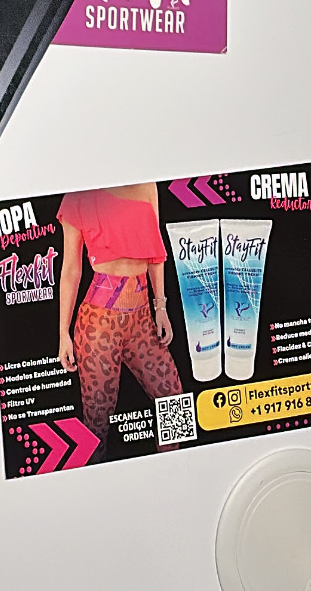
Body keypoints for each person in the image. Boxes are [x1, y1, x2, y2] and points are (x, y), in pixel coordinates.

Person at [58, 183, 183, 453]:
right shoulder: (78, 195)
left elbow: (156, 250)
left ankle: (175, 471)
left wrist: (160, 307)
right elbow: (70, 270)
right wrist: (63, 334)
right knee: (97, 422)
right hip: (98, 325)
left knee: (174, 402)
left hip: (142, 320)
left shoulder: (147, 184)